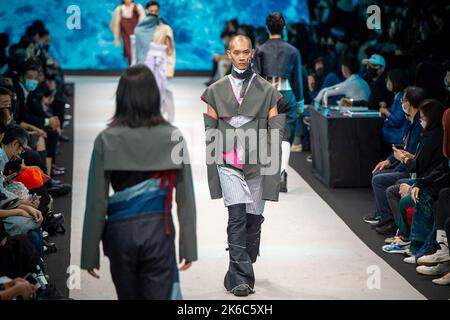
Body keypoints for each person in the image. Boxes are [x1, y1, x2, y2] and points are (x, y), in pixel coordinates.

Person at [81, 64, 197, 300]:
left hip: (119, 234)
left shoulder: (105, 139)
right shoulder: (173, 137)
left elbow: (96, 200)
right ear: (154, 96)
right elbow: (185, 199)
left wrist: (89, 252)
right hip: (158, 232)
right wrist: (188, 247)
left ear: (121, 98)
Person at [201, 35, 286, 296]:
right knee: (236, 218)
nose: (241, 56)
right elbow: (211, 131)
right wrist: (215, 164)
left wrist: (274, 168)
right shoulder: (215, 91)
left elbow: (276, 131)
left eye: (245, 52)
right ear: (229, 54)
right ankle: (240, 279)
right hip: (229, 163)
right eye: (236, 52)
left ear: (251, 54)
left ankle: (243, 262)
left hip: (258, 163)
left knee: (253, 220)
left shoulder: (267, 90)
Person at [253, 12, 304, 193]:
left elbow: (256, 78)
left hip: (267, 95)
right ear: (284, 28)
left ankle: (266, 175)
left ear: (267, 28)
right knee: (286, 136)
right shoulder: (293, 50)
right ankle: (282, 173)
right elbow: (297, 79)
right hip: (287, 93)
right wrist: (300, 101)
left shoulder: (260, 50)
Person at [366, 86, 425, 234]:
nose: (402, 104)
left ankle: (389, 221)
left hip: (410, 170)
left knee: (378, 179)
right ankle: (383, 215)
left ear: (409, 103)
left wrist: (399, 158)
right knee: (378, 173)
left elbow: (409, 153)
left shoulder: (418, 126)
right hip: (405, 166)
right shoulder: (411, 122)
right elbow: (403, 147)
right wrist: (389, 160)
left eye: (403, 101)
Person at [133, 1, 176, 121]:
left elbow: (171, 51)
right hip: (145, 63)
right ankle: (146, 116)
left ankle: (165, 118)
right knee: (144, 90)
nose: (153, 13)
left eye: (155, 11)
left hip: (160, 63)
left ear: (158, 12)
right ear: (147, 11)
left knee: (163, 90)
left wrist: (169, 70)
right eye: (151, 11)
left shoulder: (165, 28)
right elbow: (137, 49)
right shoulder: (140, 28)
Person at [379, 69, 409, 152]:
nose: (387, 83)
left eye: (388, 80)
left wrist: (385, 111)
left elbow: (397, 120)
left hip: (399, 134)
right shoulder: (398, 96)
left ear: (396, 81)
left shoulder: (401, 97)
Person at [110, 0, 146, 65]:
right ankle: (132, 70)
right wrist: (117, 38)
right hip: (126, 37)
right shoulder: (119, 9)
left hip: (137, 36)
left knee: (138, 54)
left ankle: (137, 70)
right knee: (129, 54)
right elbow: (114, 24)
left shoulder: (137, 7)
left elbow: (143, 20)